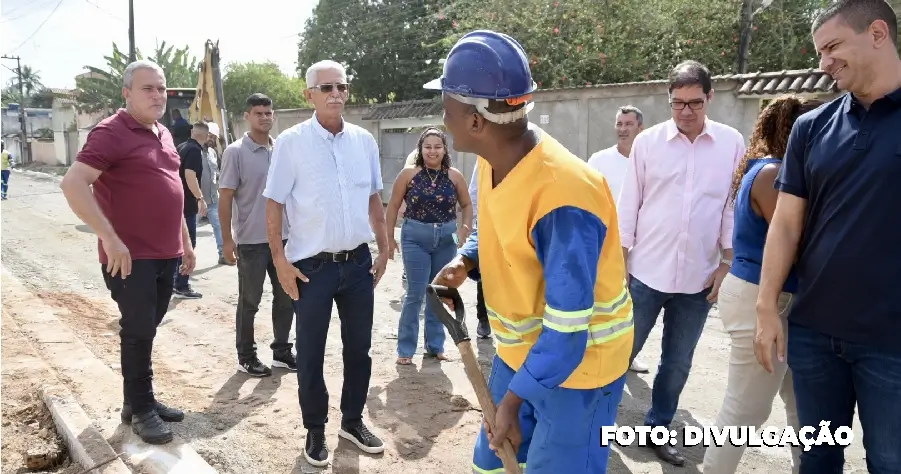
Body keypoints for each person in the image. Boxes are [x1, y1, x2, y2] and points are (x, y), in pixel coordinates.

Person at [428, 30, 634, 474]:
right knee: (491, 460)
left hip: (581, 369)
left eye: (448, 112)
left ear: (477, 121)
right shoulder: (492, 159)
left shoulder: (564, 198)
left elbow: (568, 330)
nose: (444, 122)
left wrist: (515, 400)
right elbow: (494, 223)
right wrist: (467, 258)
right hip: (523, 352)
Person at [755, 1, 901, 472]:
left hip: (892, 342)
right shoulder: (811, 126)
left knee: (889, 460)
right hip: (815, 335)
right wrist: (766, 308)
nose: (824, 62)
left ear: (878, 33)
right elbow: (786, 224)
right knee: (815, 461)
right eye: (820, 51)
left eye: (834, 46)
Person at [59, 60, 195, 445]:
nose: (157, 95)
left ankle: (137, 401)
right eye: (147, 88)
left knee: (146, 330)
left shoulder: (164, 132)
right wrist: (110, 238)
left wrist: (184, 241)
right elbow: (73, 184)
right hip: (130, 257)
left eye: (161, 88)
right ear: (127, 93)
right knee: (136, 331)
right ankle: (143, 411)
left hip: (166, 254)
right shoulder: (111, 132)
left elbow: (173, 189)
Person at [617, 60, 746, 466]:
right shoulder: (648, 142)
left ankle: (659, 427)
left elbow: (731, 207)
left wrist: (727, 262)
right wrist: (621, 262)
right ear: (668, 100)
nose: (686, 112)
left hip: (699, 278)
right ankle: (594, 423)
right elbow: (629, 204)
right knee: (620, 352)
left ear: (710, 98)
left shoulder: (731, 143)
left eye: (694, 103)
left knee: (677, 363)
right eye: (678, 103)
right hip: (645, 273)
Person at [263, 60, 388, 467]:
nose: (336, 93)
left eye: (342, 86)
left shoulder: (363, 141)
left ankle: (352, 420)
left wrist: (384, 247)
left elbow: (373, 197)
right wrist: (279, 260)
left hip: (356, 266)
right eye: (327, 87)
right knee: (311, 352)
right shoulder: (291, 142)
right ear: (309, 95)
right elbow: (275, 202)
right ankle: (314, 428)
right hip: (310, 269)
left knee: (359, 349)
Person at [702, 95, 823, 474]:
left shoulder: (767, 168)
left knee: (800, 403)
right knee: (745, 411)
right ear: (794, 130)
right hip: (762, 295)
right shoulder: (772, 173)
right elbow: (791, 241)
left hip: (764, 294)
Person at [219, 93, 296, 377]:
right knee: (250, 301)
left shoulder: (281, 150)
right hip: (251, 241)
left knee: (287, 297)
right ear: (247, 117)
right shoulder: (235, 152)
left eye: (268, 113)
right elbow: (225, 197)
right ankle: (246, 355)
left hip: (285, 239)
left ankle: (282, 352)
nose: (265, 117)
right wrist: (228, 239)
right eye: (258, 113)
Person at [386, 127, 473, 365]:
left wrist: (464, 229)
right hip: (415, 237)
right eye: (427, 147)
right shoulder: (409, 174)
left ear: (445, 149)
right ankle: (405, 349)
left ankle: (436, 346)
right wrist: (389, 237)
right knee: (415, 293)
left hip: (447, 239)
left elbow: (466, 205)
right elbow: (393, 205)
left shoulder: (454, 176)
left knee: (439, 292)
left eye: (437, 146)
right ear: (420, 149)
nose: (432, 151)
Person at [586, 105, 648, 373]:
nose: (623, 129)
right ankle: (592, 350)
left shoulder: (649, 160)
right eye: (619, 124)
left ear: (640, 128)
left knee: (632, 303)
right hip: (605, 243)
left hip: (641, 244)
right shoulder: (599, 160)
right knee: (602, 299)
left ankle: (626, 355)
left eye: (628, 124)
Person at [173, 122, 209, 299]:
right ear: (206, 136)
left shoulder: (182, 146)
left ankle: (175, 281)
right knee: (188, 245)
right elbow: (190, 175)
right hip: (187, 204)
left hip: (176, 202)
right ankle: (182, 285)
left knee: (177, 245)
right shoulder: (195, 150)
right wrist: (200, 198)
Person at [199, 121, 227, 265]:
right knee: (187, 234)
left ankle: (223, 254)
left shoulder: (212, 152)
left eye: (213, 137)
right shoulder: (191, 151)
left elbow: (215, 172)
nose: (210, 139)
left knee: (218, 226)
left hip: (212, 198)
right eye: (209, 135)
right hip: (195, 200)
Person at [469, 163, 491, 339]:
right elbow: (474, 192)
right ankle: (483, 319)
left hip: (517, 225)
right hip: (488, 224)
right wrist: (477, 223)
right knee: (485, 273)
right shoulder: (484, 159)